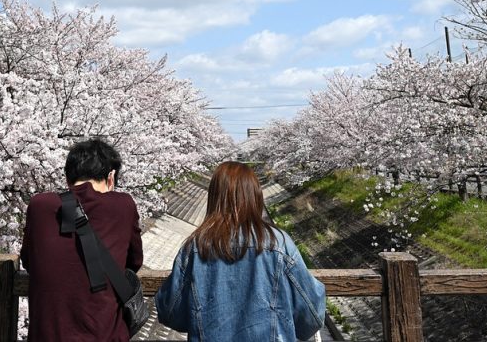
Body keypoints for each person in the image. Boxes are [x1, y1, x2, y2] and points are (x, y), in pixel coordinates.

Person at [155, 161, 326, 341]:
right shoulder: (279, 243)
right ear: (255, 195)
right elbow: (311, 313)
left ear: (214, 196)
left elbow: (170, 312)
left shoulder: (195, 246)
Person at [20, 138, 144, 342]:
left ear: (68, 178)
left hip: (49, 334)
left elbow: (29, 260)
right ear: (111, 177)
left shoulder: (39, 205)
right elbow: (134, 262)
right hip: (103, 333)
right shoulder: (123, 205)